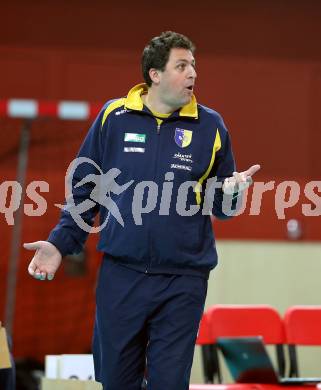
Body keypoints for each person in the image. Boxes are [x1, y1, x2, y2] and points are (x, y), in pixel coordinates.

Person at [24, 31, 260, 390]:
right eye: (182, 66)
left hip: (183, 279)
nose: (193, 73)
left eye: (194, 65)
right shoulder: (113, 118)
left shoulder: (211, 125)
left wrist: (231, 194)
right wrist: (59, 244)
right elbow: (85, 190)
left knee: (168, 383)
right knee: (116, 381)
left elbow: (222, 207)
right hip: (122, 274)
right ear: (155, 74)